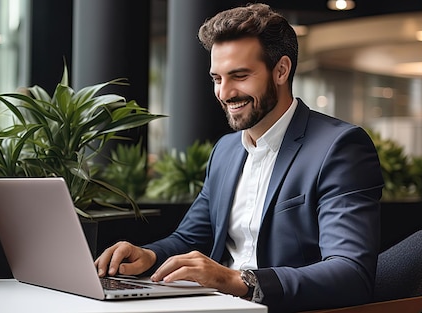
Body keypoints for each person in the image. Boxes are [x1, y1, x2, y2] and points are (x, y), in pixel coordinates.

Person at [95, 3, 384, 312]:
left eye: (240, 76)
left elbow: (351, 274)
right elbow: (190, 237)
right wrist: (148, 256)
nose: (224, 93)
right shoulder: (226, 151)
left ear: (281, 70)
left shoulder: (340, 147)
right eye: (217, 78)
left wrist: (241, 280)